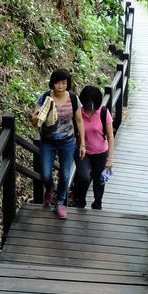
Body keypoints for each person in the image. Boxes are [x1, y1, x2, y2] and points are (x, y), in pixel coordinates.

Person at [31, 68, 85, 219]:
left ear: (68, 83)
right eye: (57, 82)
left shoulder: (73, 98)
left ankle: (59, 203)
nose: (60, 86)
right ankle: (49, 188)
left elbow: (79, 121)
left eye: (64, 82)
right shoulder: (45, 97)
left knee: (65, 174)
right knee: (46, 173)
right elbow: (34, 120)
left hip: (67, 141)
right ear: (52, 83)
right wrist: (38, 115)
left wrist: (83, 144)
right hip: (48, 141)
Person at [72, 85, 114, 210]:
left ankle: (97, 203)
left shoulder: (103, 112)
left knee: (99, 180)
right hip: (82, 150)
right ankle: (80, 202)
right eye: (87, 106)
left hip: (101, 151)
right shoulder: (78, 112)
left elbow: (110, 136)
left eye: (93, 106)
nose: (90, 110)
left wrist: (110, 158)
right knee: (84, 176)